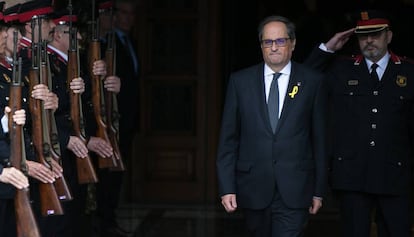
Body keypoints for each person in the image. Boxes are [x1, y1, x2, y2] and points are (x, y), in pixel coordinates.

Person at [216, 15, 328, 237]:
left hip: (295, 189)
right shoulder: (240, 82)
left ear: (293, 43)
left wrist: (319, 191)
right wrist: (227, 186)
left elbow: (320, 140)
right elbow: (229, 139)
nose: (274, 47)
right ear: (261, 46)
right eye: (268, 42)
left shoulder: (312, 81)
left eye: (280, 41)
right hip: (253, 188)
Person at [306, 10, 414, 237]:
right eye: (364, 36)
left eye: (376, 34)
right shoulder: (340, 69)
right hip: (352, 175)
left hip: (395, 173)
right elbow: (303, 81)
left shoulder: (409, 71)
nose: (369, 41)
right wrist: (328, 48)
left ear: (389, 36)